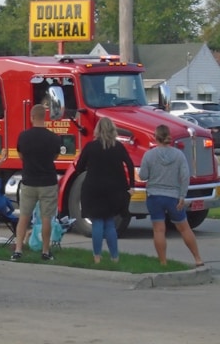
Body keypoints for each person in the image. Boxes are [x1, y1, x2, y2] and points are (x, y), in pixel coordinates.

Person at [139, 124, 204, 267]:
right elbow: (185, 176)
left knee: (159, 230)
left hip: (154, 196)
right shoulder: (178, 155)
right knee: (184, 228)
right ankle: (197, 258)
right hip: (174, 197)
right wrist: (182, 195)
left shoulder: (149, 155)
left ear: (155, 137)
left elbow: (143, 176)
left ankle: (163, 262)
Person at [74, 117, 135, 264]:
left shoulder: (90, 147)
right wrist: (131, 186)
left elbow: (79, 167)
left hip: (93, 189)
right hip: (114, 189)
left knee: (97, 223)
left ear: (97, 130)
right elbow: (130, 164)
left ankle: (97, 257)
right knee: (109, 223)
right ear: (112, 130)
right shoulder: (118, 147)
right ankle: (115, 257)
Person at [11, 104, 61, 261]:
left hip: (29, 181)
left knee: (24, 217)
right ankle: (45, 251)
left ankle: (18, 250)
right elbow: (55, 157)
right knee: (47, 219)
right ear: (45, 117)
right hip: (48, 182)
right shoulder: (53, 137)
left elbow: (21, 155)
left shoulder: (23, 136)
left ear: (32, 117)